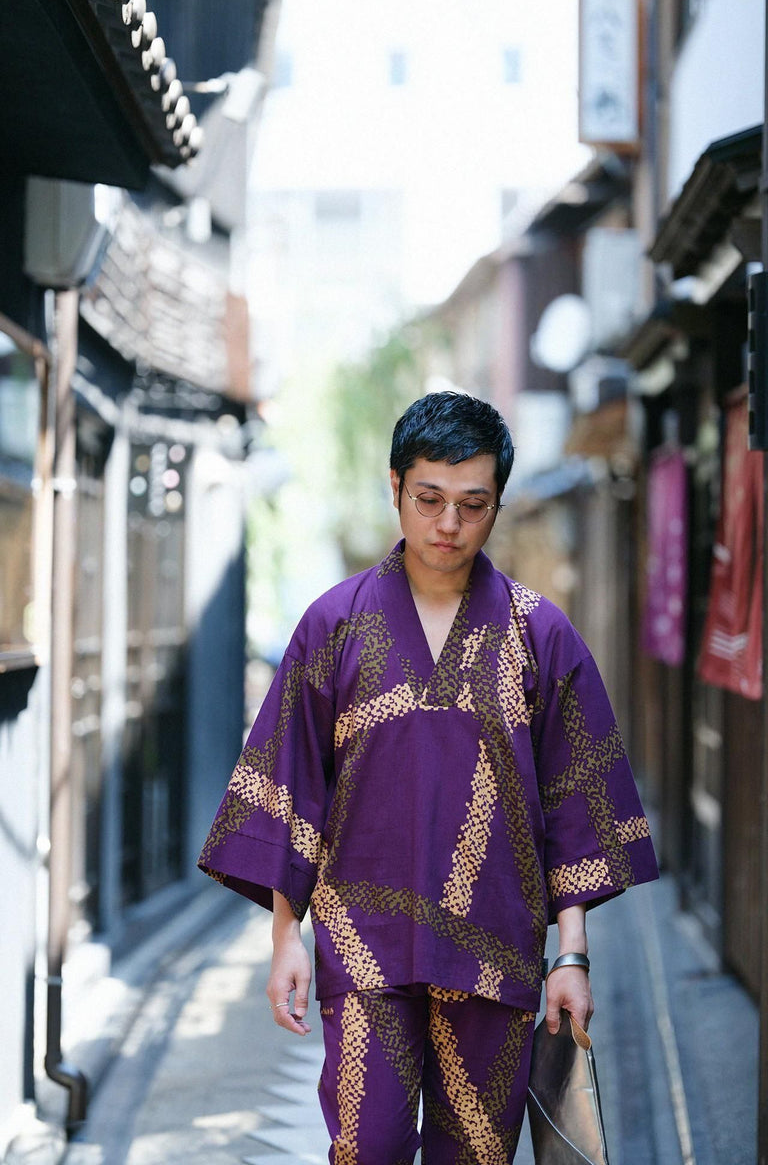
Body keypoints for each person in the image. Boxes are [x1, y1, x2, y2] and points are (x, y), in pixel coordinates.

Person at [199, 391, 658, 1163]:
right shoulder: (332, 625)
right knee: (367, 1147)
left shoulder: (540, 632)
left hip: (497, 949)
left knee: (477, 1155)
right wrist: (285, 939)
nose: (449, 523)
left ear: (497, 503)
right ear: (396, 487)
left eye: (473, 505)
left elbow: (577, 802)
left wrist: (572, 958)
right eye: (429, 499)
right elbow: (292, 784)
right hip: (363, 944)